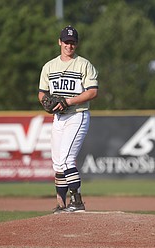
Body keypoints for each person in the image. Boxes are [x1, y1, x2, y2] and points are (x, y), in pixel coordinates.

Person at [38, 25, 99, 213]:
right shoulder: (49, 66)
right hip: (59, 118)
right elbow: (42, 93)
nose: (69, 46)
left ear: (76, 44)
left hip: (77, 115)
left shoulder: (84, 64)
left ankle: (78, 201)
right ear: (60, 42)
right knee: (57, 162)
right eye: (66, 42)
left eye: (72, 42)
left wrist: (68, 101)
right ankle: (61, 203)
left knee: (66, 158)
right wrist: (46, 103)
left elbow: (92, 92)